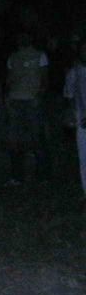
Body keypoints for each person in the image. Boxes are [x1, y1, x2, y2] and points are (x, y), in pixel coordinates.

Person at [4, 32, 50, 186]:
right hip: (15, 101)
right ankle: (16, 177)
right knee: (14, 140)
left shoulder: (40, 55)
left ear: (30, 38)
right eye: (20, 36)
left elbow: (45, 79)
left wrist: (39, 96)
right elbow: (9, 79)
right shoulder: (13, 57)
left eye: (25, 36)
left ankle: (43, 176)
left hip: (32, 101)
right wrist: (7, 97)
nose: (22, 39)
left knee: (37, 138)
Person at [63, 38, 86, 205]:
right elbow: (69, 95)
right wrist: (72, 114)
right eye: (83, 50)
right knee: (84, 157)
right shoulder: (74, 72)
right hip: (81, 118)